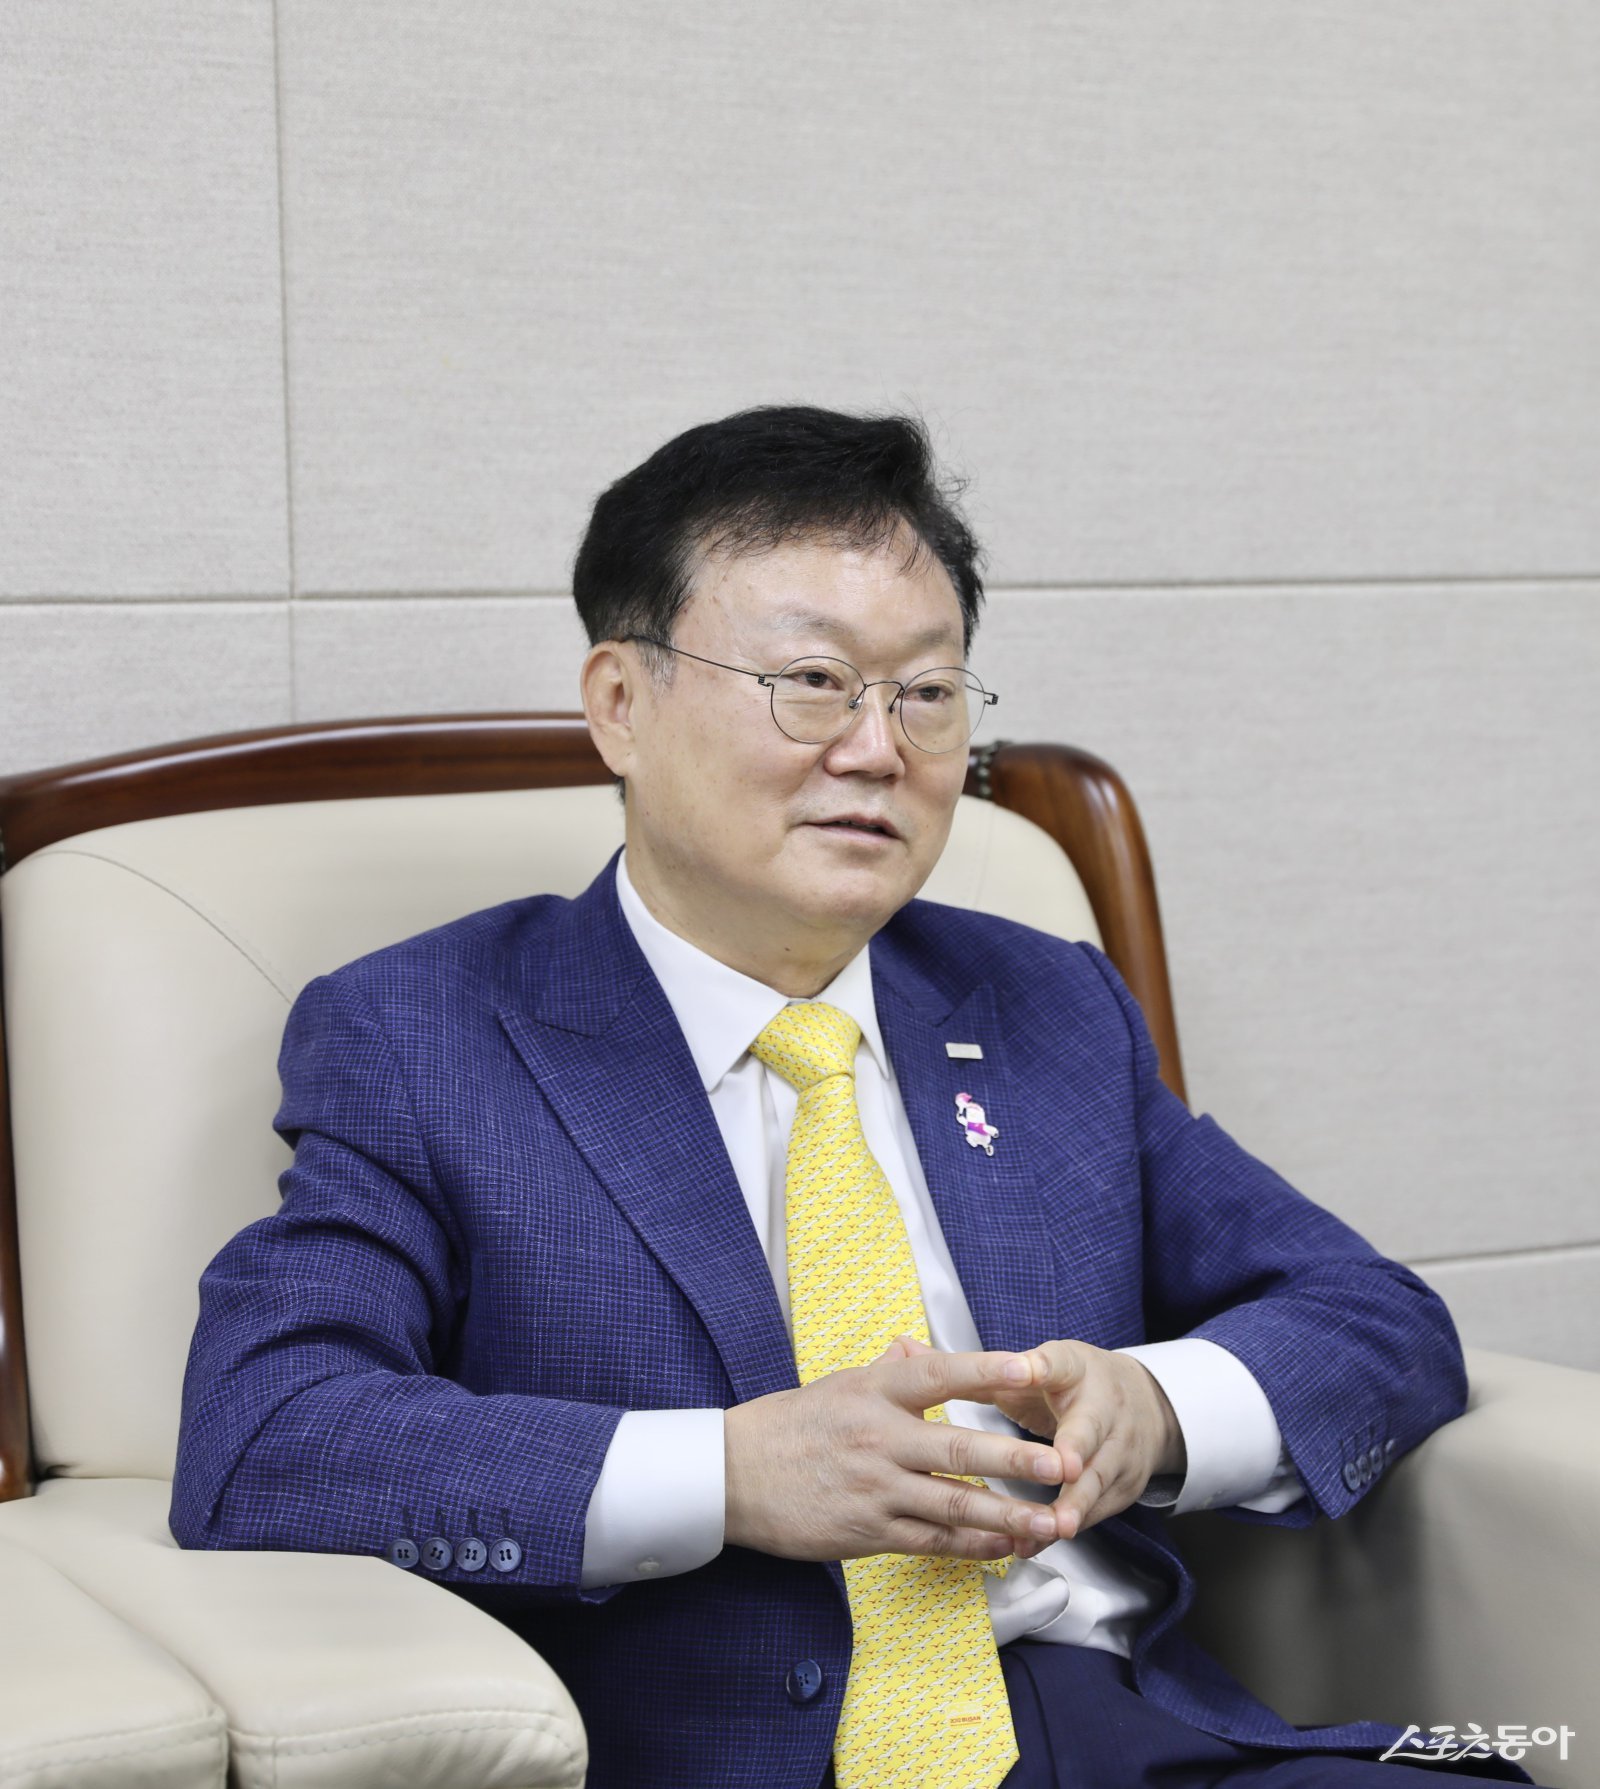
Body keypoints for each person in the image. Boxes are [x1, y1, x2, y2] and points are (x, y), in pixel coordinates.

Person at [171, 405, 1539, 1788]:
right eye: (814, 681)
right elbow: (268, 1433)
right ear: (621, 704)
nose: (879, 748)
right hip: (717, 1751)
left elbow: (1373, 1317)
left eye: (926, 693)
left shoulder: (1041, 1001)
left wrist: (1157, 1406)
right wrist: (731, 1475)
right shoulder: (425, 1032)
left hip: (1114, 1726)